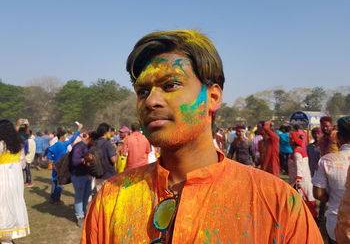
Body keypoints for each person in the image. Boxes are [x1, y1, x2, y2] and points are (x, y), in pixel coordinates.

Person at [81, 30, 322, 243]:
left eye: (171, 85)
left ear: (213, 97)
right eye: (142, 91)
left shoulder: (276, 203)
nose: (150, 101)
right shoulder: (113, 197)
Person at [312, 116, 350, 244]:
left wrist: (334, 197)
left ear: (338, 137)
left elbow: (318, 193)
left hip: (337, 223)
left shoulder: (327, 160)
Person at [0, 119, 30, 242]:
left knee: (3, 206)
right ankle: (9, 234)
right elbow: (23, 165)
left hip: (3, 179)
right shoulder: (19, 144)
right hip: (16, 181)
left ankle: (5, 237)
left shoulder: (1, 144)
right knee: (13, 204)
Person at [46, 124, 82, 204]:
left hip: (54, 165)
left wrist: (53, 158)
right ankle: (57, 199)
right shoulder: (64, 144)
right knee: (60, 183)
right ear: (62, 137)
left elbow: (49, 155)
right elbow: (72, 139)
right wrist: (79, 129)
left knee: (54, 181)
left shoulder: (53, 146)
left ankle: (52, 198)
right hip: (61, 166)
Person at [288, 131, 316, 217]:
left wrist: (298, 180)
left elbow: (299, 166)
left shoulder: (297, 153)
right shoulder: (300, 151)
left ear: (293, 140)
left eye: (290, 139)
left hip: (299, 182)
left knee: (301, 201)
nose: (289, 141)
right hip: (302, 180)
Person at [70, 132, 93, 227]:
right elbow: (75, 161)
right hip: (78, 175)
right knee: (79, 196)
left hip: (88, 175)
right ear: (89, 138)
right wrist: (87, 159)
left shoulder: (89, 146)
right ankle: (79, 216)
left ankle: (83, 212)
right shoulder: (78, 147)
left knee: (86, 195)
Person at [94, 123, 117, 191]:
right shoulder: (107, 143)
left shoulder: (95, 142)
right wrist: (117, 152)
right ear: (105, 132)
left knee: (99, 196)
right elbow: (114, 160)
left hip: (98, 174)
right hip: (108, 175)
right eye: (109, 131)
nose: (110, 133)